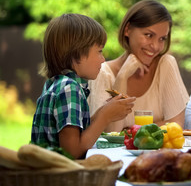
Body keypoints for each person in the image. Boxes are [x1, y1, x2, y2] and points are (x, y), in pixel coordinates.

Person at [31, 14, 136, 159]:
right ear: (77, 54)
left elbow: (77, 135)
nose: (103, 59)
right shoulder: (69, 89)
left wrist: (102, 113)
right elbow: (72, 152)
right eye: (99, 51)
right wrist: (104, 117)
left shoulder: (56, 84)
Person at [88, 0, 189, 131]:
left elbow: (176, 125)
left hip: (161, 151)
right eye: (148, 35)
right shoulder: (102, 73)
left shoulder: (165, 65)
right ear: (127, 30)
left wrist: (131, 130)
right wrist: (122, 77)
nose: (155, 46)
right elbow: (111, 133)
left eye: (162, 38)